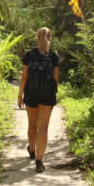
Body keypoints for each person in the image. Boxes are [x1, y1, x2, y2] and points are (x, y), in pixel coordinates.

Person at [18, 27, 59, 173]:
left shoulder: (29, 55)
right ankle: (39, 161)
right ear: (50, 38)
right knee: (43, 127)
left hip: (31, 93)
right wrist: (53, 90)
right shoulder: (53, 56)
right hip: (47, 94)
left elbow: (24, 77)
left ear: (37, 38)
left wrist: (20, 95)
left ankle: (32, 150)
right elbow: (56, 78)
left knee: (32, 124)